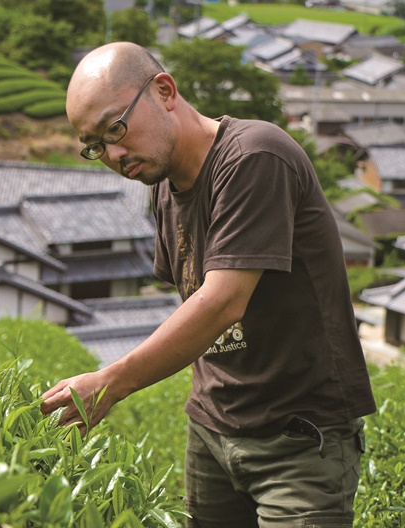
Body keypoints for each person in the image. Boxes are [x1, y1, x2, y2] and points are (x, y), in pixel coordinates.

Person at [40, 41, 377, 528]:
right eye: (94, 146)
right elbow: (193, 302)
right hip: (212, 431)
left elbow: (221, 302)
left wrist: (110, 383)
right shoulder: (162, 189)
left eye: (116, 128)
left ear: (164, 90)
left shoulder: (255, 157)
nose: (113, 154)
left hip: (300, 437)